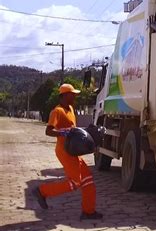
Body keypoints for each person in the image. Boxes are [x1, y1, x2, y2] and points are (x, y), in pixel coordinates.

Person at [32, 83, 103, 220]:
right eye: (72, 94)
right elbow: (48, 131)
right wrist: (62, 133)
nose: (75, 96)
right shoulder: (57, 111)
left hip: (73, 151)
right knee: (74, 183)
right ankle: (41, 191)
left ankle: (88, 211)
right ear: (64, 96)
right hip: (64, 151)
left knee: (87, 180)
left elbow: (73, 129)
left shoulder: (70, 108)